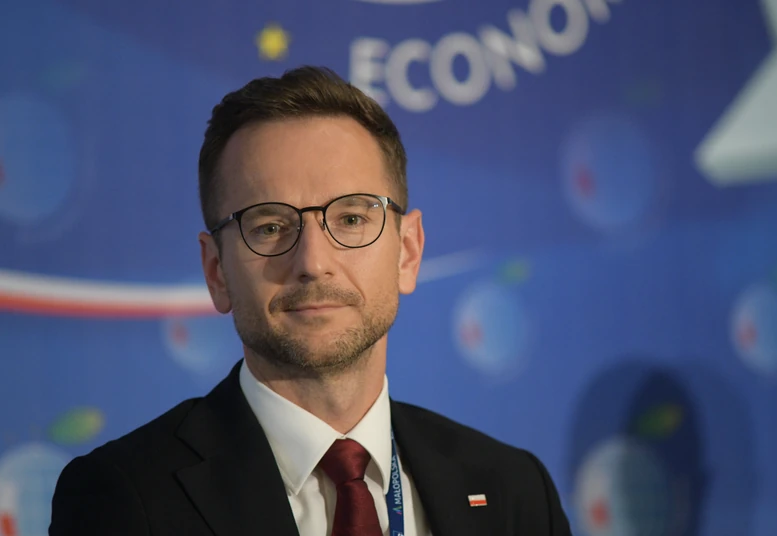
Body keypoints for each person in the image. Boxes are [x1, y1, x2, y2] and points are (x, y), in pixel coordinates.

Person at [49, 66, 572, 536]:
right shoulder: (123, 499)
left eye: (351, 218)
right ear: (216, 271)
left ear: (408, 252)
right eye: (270, 226)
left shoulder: (513, 489)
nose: (313, 261)